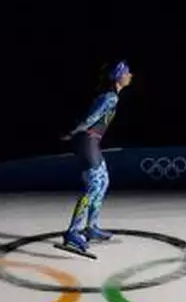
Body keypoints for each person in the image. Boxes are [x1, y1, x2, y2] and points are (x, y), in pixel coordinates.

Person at [57, 60, 133, 258]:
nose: (130, 75)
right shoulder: (110, 98)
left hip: (92, 142)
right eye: (127, 72)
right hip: (87, 142)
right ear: (118, 76)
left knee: (103, 182)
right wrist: (72, 132)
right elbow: (90, 119)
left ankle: (91, 226)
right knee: (92, 187)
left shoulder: (111, 96)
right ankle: (73, 232)